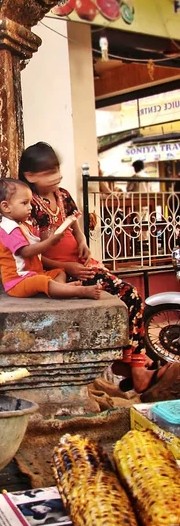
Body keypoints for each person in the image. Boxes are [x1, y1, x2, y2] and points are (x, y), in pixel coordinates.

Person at [17, 142, 178, 396]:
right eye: (48, 173)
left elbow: (75, 227)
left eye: (56, 170)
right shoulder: (28, 205)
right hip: (63, 272)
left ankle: (132, 365)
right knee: (130, 295)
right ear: (30, 176)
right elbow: (31, 252)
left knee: (132, 297)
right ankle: (136, 370)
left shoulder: (63, 195)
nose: (56, 177)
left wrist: (82, 243)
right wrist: (66, 266)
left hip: (83, 264)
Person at [0, 178, 101, 300]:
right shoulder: (9, 229)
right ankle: (79, 291)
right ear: (6, 207)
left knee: (59, 272)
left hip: (35, 274)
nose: (30, 208)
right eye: (24, 203)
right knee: (41, 281)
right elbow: (25, 251)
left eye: (30, 203)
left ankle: (62, 289)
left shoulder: (23, 224)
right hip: (18, 281)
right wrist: (50, 242)